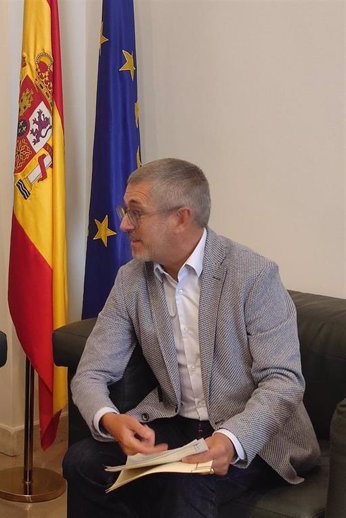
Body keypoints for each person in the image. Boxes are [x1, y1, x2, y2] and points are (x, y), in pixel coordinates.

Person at [63, 158, 319, 517]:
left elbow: (283, 381)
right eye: (125, 211)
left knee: (186, 481)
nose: (123, 224)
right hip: (176, 423)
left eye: (136, 213)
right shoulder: (131, 280)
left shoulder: (254, 275)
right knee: (82, 461)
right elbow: (90, 373)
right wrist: (110, 419)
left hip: (252, 434)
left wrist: (231, 440)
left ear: (181, 218)